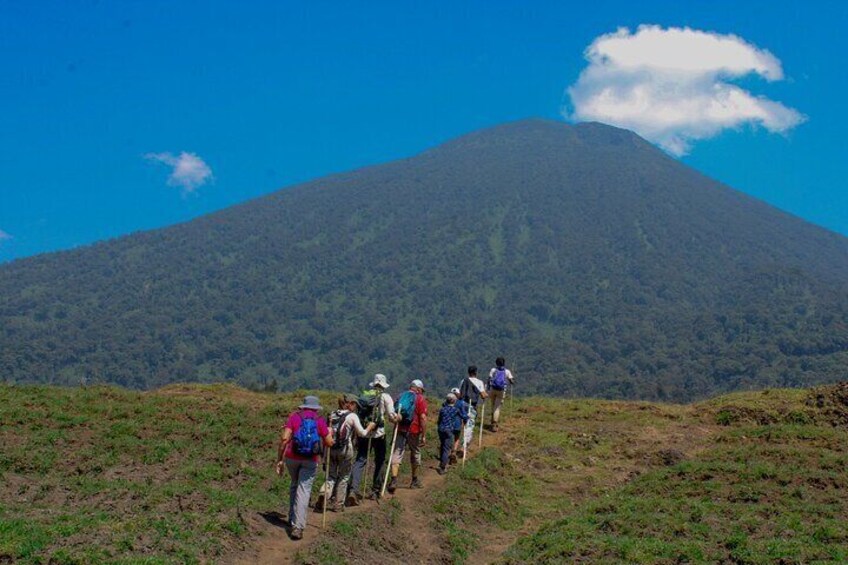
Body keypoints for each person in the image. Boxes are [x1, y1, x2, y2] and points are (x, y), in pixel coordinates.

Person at [275, 395, 333, 540]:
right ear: (316, 408)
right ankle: (298, 526)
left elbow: (284, 438)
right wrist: (330, 433)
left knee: (294, 485)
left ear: (303, 406)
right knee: (304, 490)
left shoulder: (294, 417)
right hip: (310, 460)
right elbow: (329, 443)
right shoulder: (319, 420)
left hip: (291, 458)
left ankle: (292, 517)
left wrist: (279, 460)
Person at [348, 373, 398, 504]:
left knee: (360, 460)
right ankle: (376, 490)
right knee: (380, 460)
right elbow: (392, 416)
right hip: (378, 434)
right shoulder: (385, 397)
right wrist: (397, 418)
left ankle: (353, 489)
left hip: (364, 433)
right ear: (383, 385)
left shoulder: (364, 395)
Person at [322, 394, 376, 512]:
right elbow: (362, 433)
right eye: (355, 404)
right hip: (346, 450)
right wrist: (370, 427)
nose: (356, 407)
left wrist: (324, 454)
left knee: (331, 476)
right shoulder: (352, 416)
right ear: (350, 404)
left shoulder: (332, 414)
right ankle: (338, 504)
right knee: (344, 477)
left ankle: (324, 494)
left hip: (331, 449)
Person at [387, 379, 428, 492]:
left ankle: (394, 479)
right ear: (419, 389)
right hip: (414, 431)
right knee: (415, 453)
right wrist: (424, 435)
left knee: (397, 453)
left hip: (400, 429)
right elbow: (423, 418)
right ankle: (414, 480)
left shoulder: (401, 396)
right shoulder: (420, 398)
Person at [458, 365, 488, 454]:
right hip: (471, 406)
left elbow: (460, 394)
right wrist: (486, 394)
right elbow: (483, 395)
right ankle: (464, 446)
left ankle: (455, 445)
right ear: (476, 372)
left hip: (462, 404)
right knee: (469, 425)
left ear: (468, 372)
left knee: (461, 424)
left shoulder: (463, 381)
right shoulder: (479, 382)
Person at [487, 357, 515, 432]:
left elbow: (489, 379)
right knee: (497, 407)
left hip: (493, 389)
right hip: (501, 391)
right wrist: (512, 380)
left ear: (496, 363)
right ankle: (494, 424)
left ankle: (492, 421)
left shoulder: (493, 370)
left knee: (492, 405)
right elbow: (511, 381)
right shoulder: (507, 371)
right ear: (504, 363)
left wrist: (488, 389)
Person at [437, 393, 462, 474]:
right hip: (449, 430)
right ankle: (443, 467)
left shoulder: (442, 409)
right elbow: (464, 416)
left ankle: (441, 461)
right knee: (446, 449)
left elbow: (439, 420)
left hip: (441, 429)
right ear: (454, 401)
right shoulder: (455, 410)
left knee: (442, 444)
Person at [449, 387, 469, 464]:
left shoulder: (447, 402)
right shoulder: (460, 403)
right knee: (456, 438)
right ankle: (453, 452)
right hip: (457, 424)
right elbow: (463, 414)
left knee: (449, 438)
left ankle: (449, 452)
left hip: (448, 424)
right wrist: (465, 420)